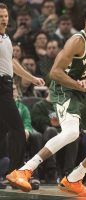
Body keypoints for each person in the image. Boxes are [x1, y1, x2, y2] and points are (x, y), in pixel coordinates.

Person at [6, 5, 86, 197]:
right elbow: (55, 73)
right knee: (72, 132)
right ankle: (24, 170)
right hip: (64, 90)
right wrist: (82, 85)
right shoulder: (76, 41)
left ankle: (74, 179)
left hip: (83, 91)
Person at [0, 3, 44, 174]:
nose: (3, 19)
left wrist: (31, 78)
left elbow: (11, 62)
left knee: (3, 129)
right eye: (0, 17)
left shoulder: (6, 38)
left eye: (5, 16)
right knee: (18, 129)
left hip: (6, 84)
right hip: (1, 86)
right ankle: (15, 172)